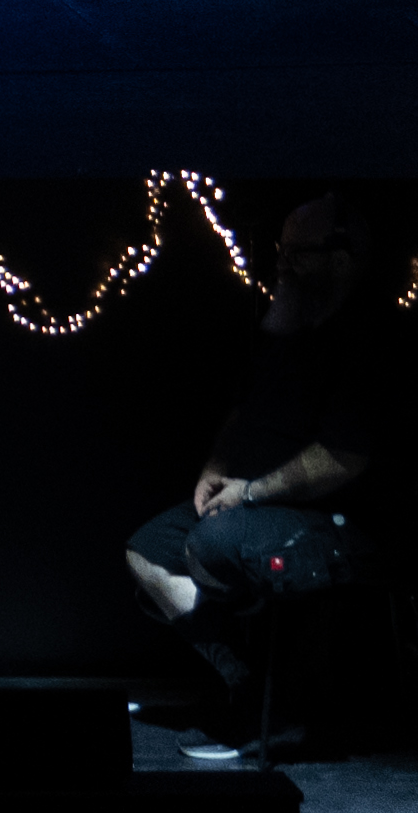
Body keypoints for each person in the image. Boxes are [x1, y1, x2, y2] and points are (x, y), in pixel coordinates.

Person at [127, 194, 384, 760]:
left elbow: (344, 457)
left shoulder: (363, 339)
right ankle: (248, 689)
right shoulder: (287, 328)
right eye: (281, 250)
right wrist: (216, 469)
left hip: (330, 518)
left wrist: (252, 491)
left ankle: (286, 707)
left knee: (212, 541)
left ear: (341, 260)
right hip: (251, 497)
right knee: (148, 550)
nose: (282, 264)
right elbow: (244, 409)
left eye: (298, 253)